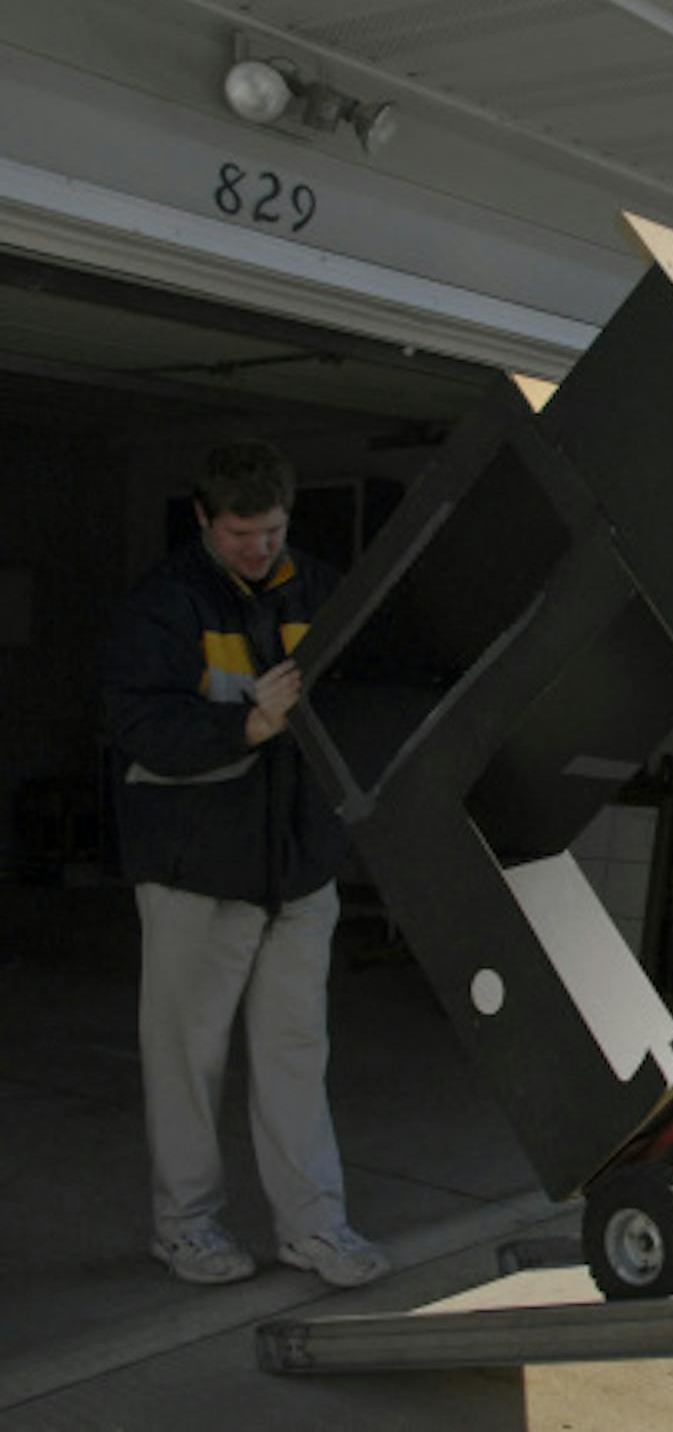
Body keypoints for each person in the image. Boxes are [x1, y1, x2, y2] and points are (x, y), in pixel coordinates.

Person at [102, 440, 389, 1288]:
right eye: (237, 534)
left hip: (300, 869)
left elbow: (368, 702)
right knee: (189, 1058)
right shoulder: (163, 606)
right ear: (202, 520)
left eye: (270, 531)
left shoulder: (325, 589)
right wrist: (249, 728)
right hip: (197, 870)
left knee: (298, 1052)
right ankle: (186, 1228)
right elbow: (138, 727)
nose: (258, 549)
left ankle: (314, 1228)